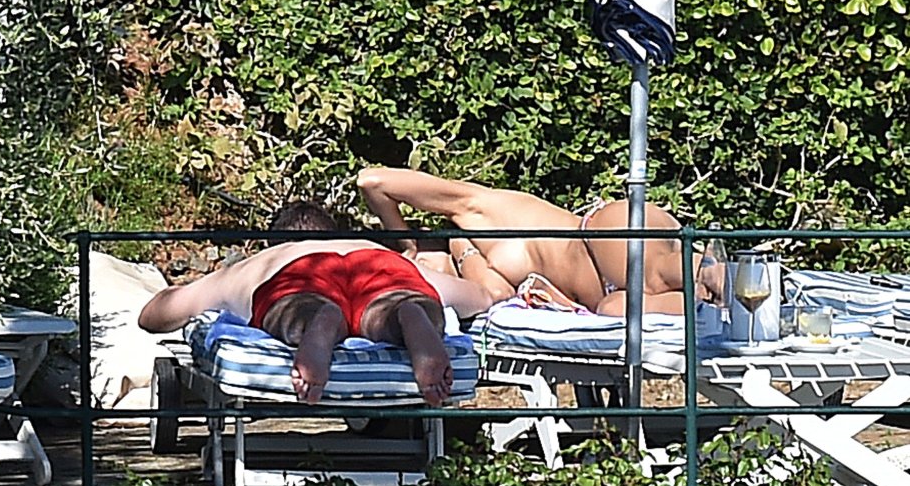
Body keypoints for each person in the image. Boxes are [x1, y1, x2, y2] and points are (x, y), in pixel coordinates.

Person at [138, 203, 492, 406]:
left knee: (291, 308)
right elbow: (478, 298)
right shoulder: (370, 247)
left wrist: (169, 298)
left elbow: (156, 315)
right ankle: (406, 315)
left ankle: (317, 321)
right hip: (379, 268)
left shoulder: (267, 259)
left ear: (273, 241)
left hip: (298, 274)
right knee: (396, 303)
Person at [357, 166, 705, 316]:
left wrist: (406, 243)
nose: (424, 270)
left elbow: (372, 181)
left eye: (420, 267)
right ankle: (724, 291)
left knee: (660, 275)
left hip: (598, 239)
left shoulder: (476, 210)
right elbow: (495, 295)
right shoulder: (480, 268)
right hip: (607, 291)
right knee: (624, 308)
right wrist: (463, 253)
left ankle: (723, 272)